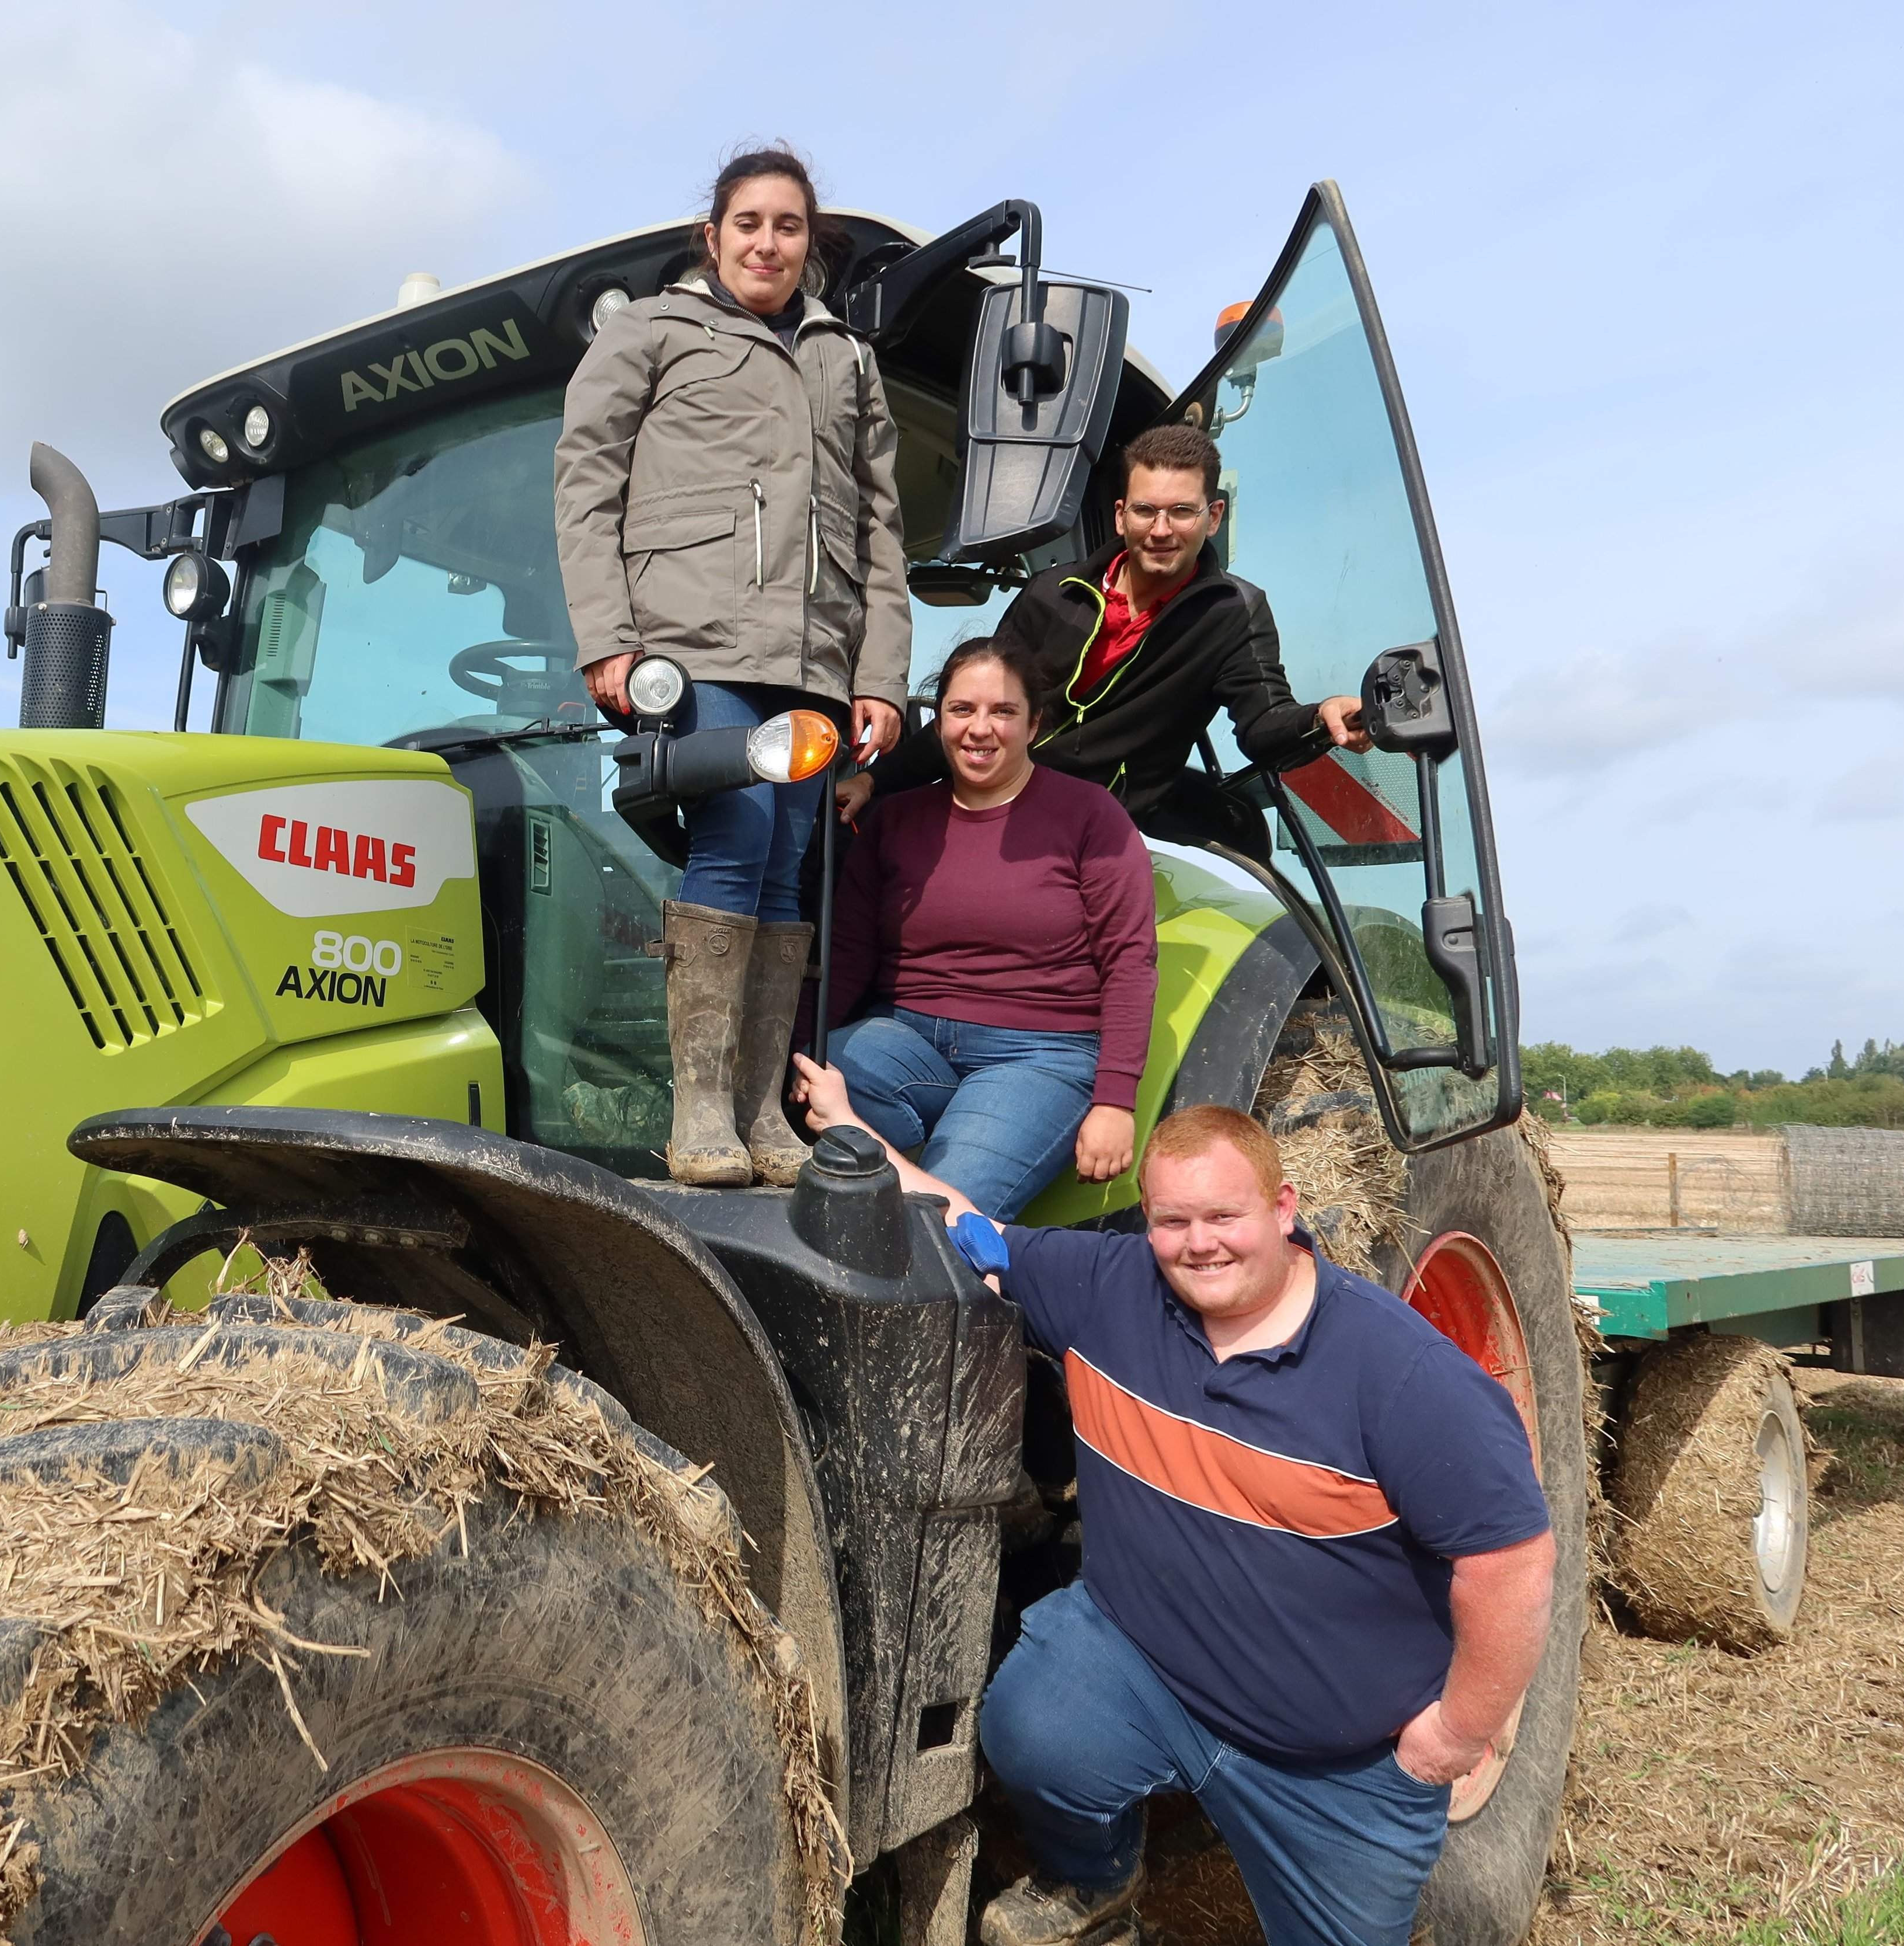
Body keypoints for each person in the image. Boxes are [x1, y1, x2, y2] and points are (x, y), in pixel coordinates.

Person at [778, 1092, 1557, 1946]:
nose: (1200, 1242)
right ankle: (1098, 1881)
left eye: (1224, 1214)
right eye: (1173, 1219)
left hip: (1338, 1765)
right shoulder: (1111, 1289)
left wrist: (1457, 1732)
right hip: (1150, 1674)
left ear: (1285, 1207)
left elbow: (1511, 1564)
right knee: (1031, 1723)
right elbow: (969, 1229)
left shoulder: (1405, 1376)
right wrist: (855, 1130)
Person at [554, 144, 909, 1188]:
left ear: (811, 243)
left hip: (812, 659)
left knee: (786, 858)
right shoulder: (652, 331)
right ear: (712, 238)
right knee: (736, 837)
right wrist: (609, 639)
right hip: (694, 639)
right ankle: (701, 1109)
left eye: (788, 225)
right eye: (748, 223)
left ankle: (761, 1112)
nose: (768, 242)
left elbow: (884, 529)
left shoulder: (847, 359)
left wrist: (879, 675)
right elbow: (586, 485)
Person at [838, 422, 1370, 844]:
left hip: (1089, 834)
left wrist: (1319, 721)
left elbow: (1263, 725)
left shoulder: (1233, 613)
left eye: (1181, 512)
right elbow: (980, 713)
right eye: (1146, 510)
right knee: (854, 843)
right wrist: (873, 781)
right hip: (986, 808)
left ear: (1213, 517)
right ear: (1121, 516)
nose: (1161, 530)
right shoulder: (1053, 593)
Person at [813, 634, 1155, 1219]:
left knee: (934, 1223)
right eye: (961, 710)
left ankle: (988, 1137)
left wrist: (1114, 1103)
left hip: (1039, 1054)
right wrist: (801, 1052)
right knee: (814, 1076)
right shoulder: (894, 819)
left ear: (1034, 725)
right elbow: (846, 954)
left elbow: (1129, 962)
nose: (980, 728)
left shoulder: (1090, 815)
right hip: (908, 1040)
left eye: (1003, 712)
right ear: (939, 720)